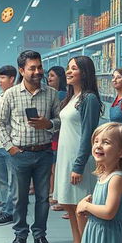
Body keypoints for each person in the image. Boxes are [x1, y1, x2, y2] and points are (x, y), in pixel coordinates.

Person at [0, 49, 61, 243]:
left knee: (43, 198)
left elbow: (60, 121)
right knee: (19, 198)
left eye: (39, 67)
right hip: (20, 154)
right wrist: (10, 147)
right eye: (32, 68)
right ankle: (20, 235)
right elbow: (0, 122)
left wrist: (48, 123)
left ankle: (40, 235)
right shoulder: (11, 94)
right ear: (22, 70)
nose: (37, 71)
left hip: (43, 154)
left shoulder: (51, 94)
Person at [52, 57, 102, 243]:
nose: (69, 71)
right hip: (65, 157)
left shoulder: (89, 99)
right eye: (68, 68)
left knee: (82, 209)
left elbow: (88, 135)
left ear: (85, 73)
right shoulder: (73, 97)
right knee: (69, 205)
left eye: (74, 68)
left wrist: (79, 165)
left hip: (79, 160)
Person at [0, 64, 18, 226]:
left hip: (12, 146)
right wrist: (1, 123)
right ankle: (6, 206)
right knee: (1, 179)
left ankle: (10, 211)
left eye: (2, 78)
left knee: (13, 180)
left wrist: (1, 122)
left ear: (11, 79)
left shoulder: (16, 97)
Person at [47, 66, 67, 207]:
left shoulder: (58, 95)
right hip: (57, 135)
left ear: (60, 78)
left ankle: (54, 194)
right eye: (48, 75)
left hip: (56, 136)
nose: (49, 78)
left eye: (52, 75)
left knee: (54, 167)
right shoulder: (60, 93)